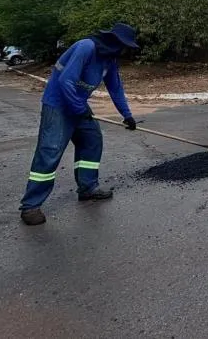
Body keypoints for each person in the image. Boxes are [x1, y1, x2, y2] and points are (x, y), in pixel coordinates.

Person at [19, 23, 140, 226]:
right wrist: (78, 108)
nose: (124, 50)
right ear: (113, 41)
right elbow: (66, 80)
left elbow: (115, 88)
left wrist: (127, 115)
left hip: (78, 105)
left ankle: (87, 188)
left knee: (92, 141)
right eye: (123, 45)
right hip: (58, 105)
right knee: (50, 151)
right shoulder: (86, 47)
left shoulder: (110, 59)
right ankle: (30, 206)